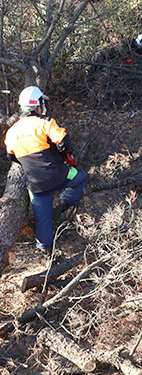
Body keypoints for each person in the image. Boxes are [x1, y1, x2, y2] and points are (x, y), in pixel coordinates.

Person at [4, 86, 88, 256]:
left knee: (42, 219)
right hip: (59, 175)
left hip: (36, 184)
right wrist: (68, 156)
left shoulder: (11, 132)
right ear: (39, 104)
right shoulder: (46, 122)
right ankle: (65, 203)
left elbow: (11, 156)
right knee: (80, 177)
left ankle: (46, 250)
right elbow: (64, 142)